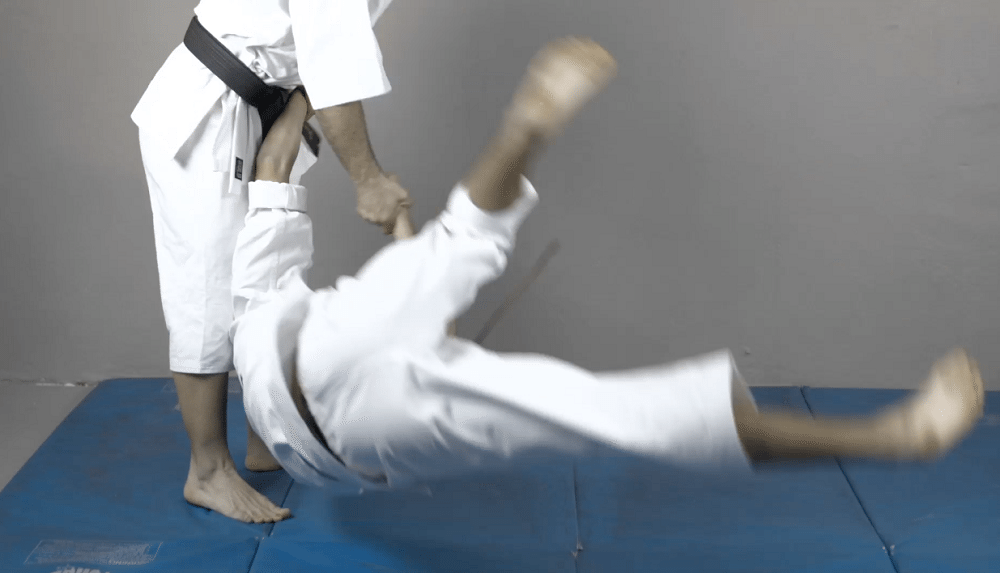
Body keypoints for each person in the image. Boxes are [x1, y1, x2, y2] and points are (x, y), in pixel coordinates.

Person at [231, 37, 985, 521]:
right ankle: (525, 129)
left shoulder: (262, 309)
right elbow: (280, 165)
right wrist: (317, 109)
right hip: (333, 401)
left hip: (333, 430)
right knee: (480, 280)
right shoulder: (266, 307)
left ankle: (896, 436)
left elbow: (279, 173)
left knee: (593, 399)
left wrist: (313, 107)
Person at [132, 0, 408, 523]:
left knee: (269, 270)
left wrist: (293, 117)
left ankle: (270, 437)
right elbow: (332, 60)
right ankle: (207, 470)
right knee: (208, 291)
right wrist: (368, 179)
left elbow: (316, 46)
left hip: (268, 103)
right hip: (210, 107)